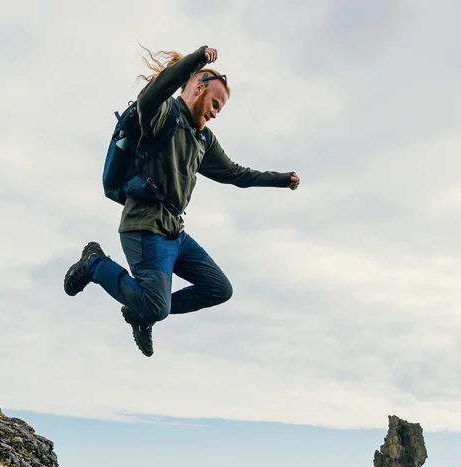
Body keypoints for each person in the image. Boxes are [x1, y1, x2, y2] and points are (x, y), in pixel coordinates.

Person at [64, 45, 300, 357]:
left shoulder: (203, 138)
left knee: (218, 289)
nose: (215, 112)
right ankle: (95, 264)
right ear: (198, 87)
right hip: (145, 227)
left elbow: (235, 174)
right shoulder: (162, 115)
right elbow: (152, 94)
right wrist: (197, 60)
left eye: (220, 109)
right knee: (156, 306)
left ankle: (141, 312)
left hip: (175, 232)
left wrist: (281, 179)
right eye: (215, 103)